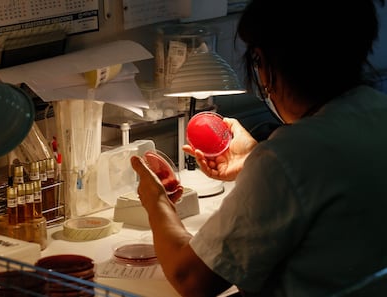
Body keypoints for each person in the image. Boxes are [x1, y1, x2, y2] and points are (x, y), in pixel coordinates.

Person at [130, 0, 387, 296]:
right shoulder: (378, 114)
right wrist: (255, 158)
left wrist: (156, 201)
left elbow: (190, 278)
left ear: (263, 63)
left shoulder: (290, 155)